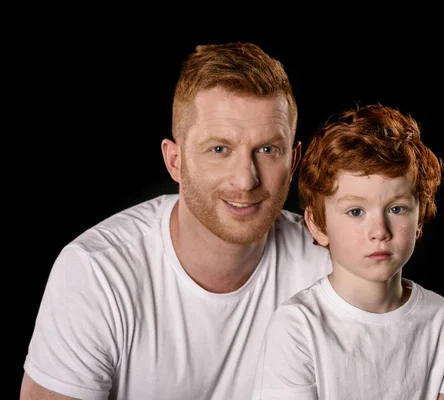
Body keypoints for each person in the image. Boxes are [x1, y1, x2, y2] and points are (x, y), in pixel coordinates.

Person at [20, 42, 333, 400]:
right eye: (219, 149)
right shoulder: (96, 273)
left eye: (267, 150)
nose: (246, 180)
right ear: (175, 161)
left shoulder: (328, 266)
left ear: (293, 161)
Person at [251, 104, 444, 399]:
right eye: (356, 211)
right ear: (318, 224)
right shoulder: (297, 326)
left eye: (397, 209)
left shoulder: (443, 321)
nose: (379, 230)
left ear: (419, 219)